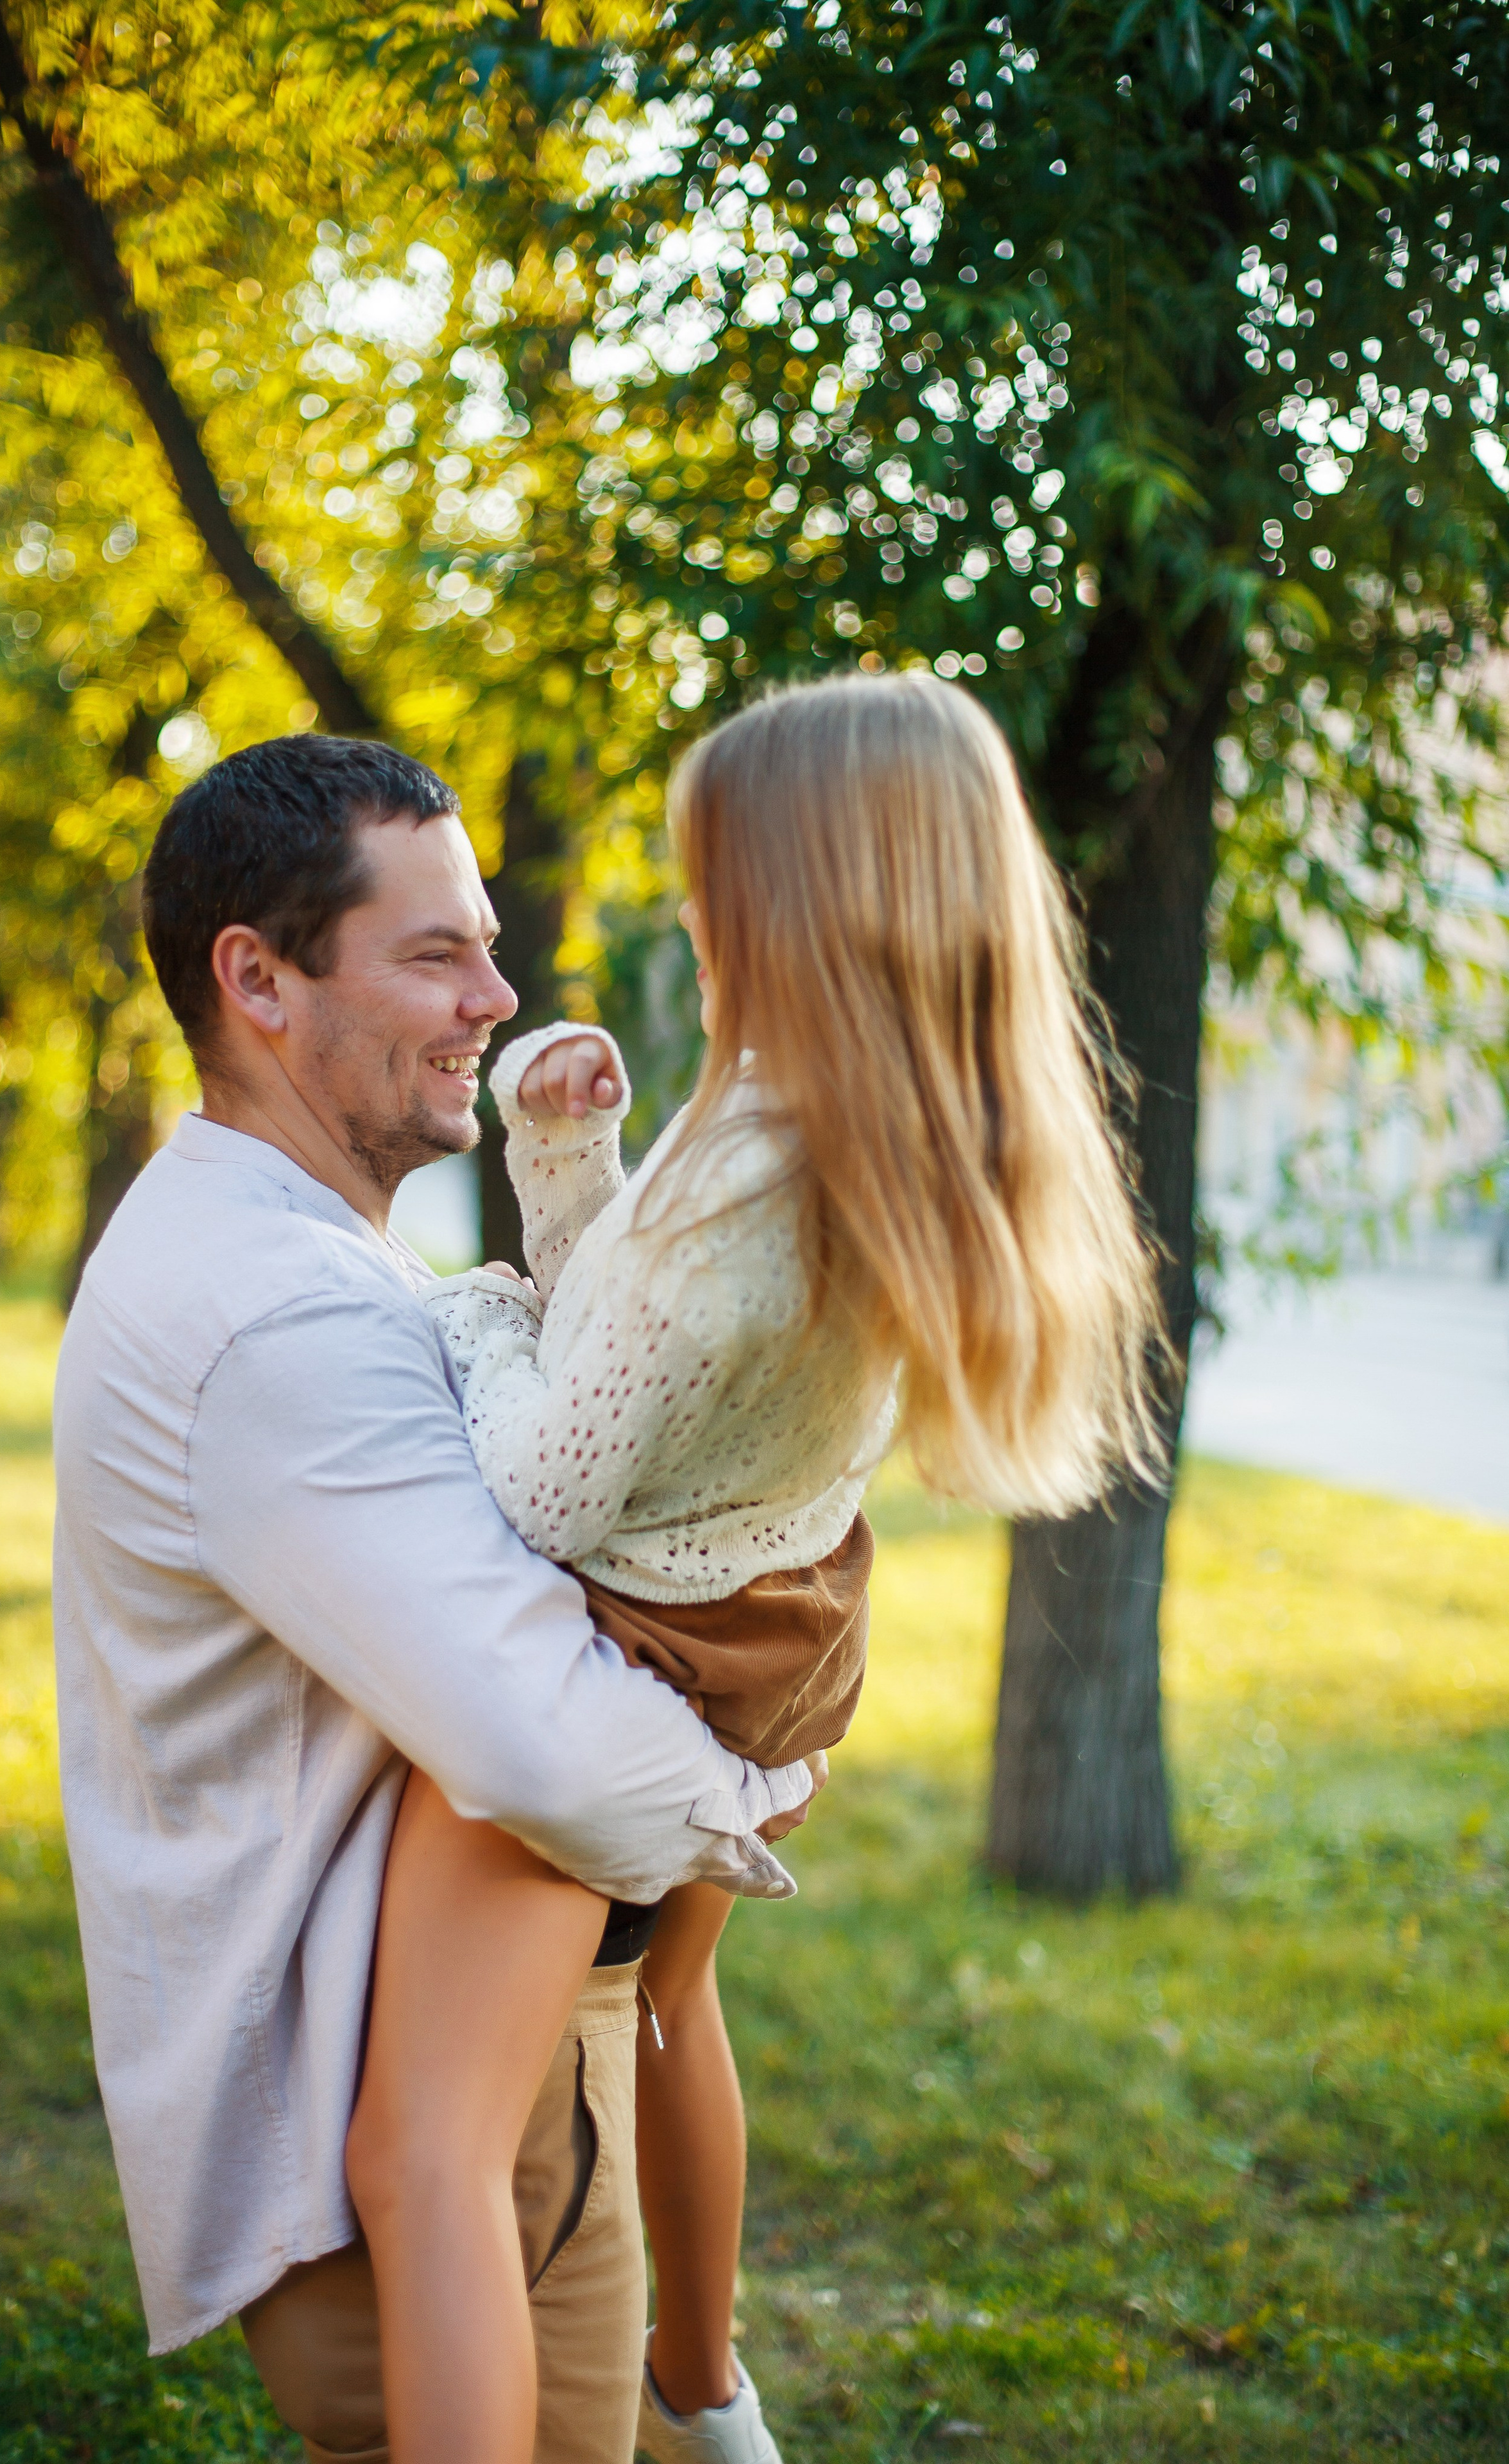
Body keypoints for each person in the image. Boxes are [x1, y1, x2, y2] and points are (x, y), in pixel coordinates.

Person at [348, 672, 1166, 2464]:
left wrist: (473, 1311)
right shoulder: (879, 1152)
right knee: (670, 2003)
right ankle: (706, 2391)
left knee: (436, 2149)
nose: (691, 921)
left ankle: (559, 2405)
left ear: (797, 903)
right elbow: (660, 1371)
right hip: (774, 1630)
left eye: (712, 886)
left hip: (626, 1656)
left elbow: (555, 1475)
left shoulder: (737, 1191)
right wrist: (570, 1159)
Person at [52, 735, 820, 2464]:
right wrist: (761, 1763)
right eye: (433, 954)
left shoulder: (293, 1259)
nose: (497, 991)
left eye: (486, 941)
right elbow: (559, 1762)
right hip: (445, 2167)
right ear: (256, 979)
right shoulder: (280, 1322)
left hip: (491, 2088)